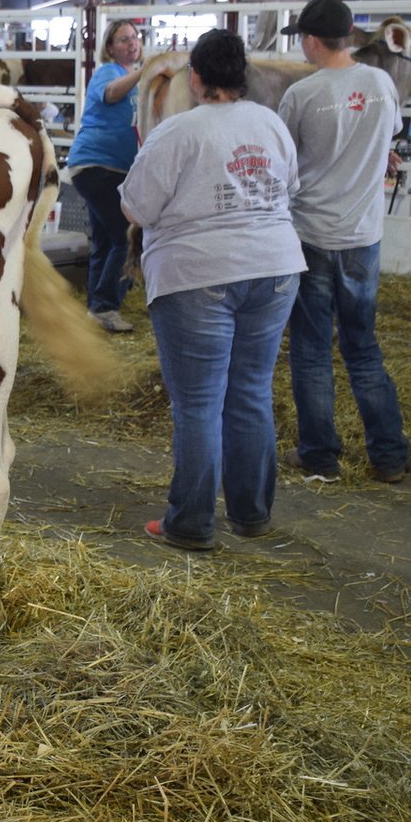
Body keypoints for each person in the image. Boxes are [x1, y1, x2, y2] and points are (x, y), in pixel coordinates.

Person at [120, 29, 303, 551]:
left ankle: (192, 522)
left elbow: (135, 208)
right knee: (250, 391)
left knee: (199, 403)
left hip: (197, 275)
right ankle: (251, 512)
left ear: (195, 78)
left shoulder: (177, 133)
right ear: (241, 76)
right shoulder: (270, 124)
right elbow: (289, 187)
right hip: (275, 269)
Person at [276, 0, 410, 485]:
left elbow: (287, 161)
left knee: (311, 349)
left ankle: (320, 455)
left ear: (312, 40)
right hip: (362, 237)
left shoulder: (303, 95)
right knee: (362, 346)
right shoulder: (381, 83)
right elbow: (385, 139)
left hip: (310, 233)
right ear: (349, 35)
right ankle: (389, 453)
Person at [64, 18, 146, 334]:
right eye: (124, 39)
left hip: (110, 167)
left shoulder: (133, 79)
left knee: (102, 239)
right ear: (110, 48)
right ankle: (105, 306)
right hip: (98, 165)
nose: (132, 43)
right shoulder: (108, 72)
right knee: (124, 237)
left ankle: (95, 308)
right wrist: (144, 72)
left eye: (135, 37)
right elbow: (111, 94)